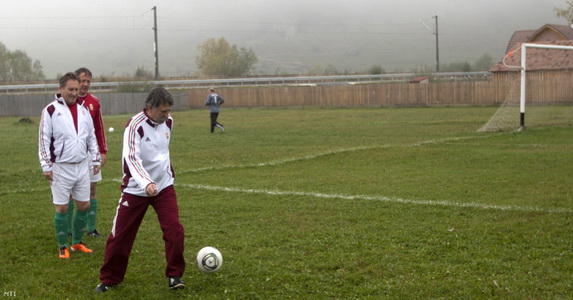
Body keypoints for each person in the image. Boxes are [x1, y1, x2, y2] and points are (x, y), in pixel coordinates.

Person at [96, 87, 185, 293]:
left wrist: (162, 178)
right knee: (120, 235)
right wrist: (146, 182)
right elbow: (131, 158)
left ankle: (174, 275)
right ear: (150, 107)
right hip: (136, 189)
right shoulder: (134, 126)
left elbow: (162, 153)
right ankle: (109, 279)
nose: (167, 115)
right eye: (163, 111)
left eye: (169, 111)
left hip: (163, 187)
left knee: (174, 230)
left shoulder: (168, 122)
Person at [38, 72, 101, 259]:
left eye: (76, 89)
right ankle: (62, 245)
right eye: (71, 89)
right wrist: (46, 165)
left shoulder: (84, 110)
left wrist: (95, 159)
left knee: (84, 205)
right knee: (63, 208)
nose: (75, 93)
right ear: (61, 89)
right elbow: (43, 139)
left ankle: (77, 243)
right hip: (60, 167)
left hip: (82, 166)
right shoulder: (50, 110)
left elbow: (91, 137)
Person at [66, 67, 108, 238]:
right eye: (82, 80)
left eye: (88, 81)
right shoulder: (68, 101)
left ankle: (91, 228)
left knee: (91, 190)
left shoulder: (94, 102)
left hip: (91, 153)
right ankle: (68, 228)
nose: (84, 84)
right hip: (71, 154)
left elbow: (99, 128)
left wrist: (103, 151)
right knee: (68, 192)